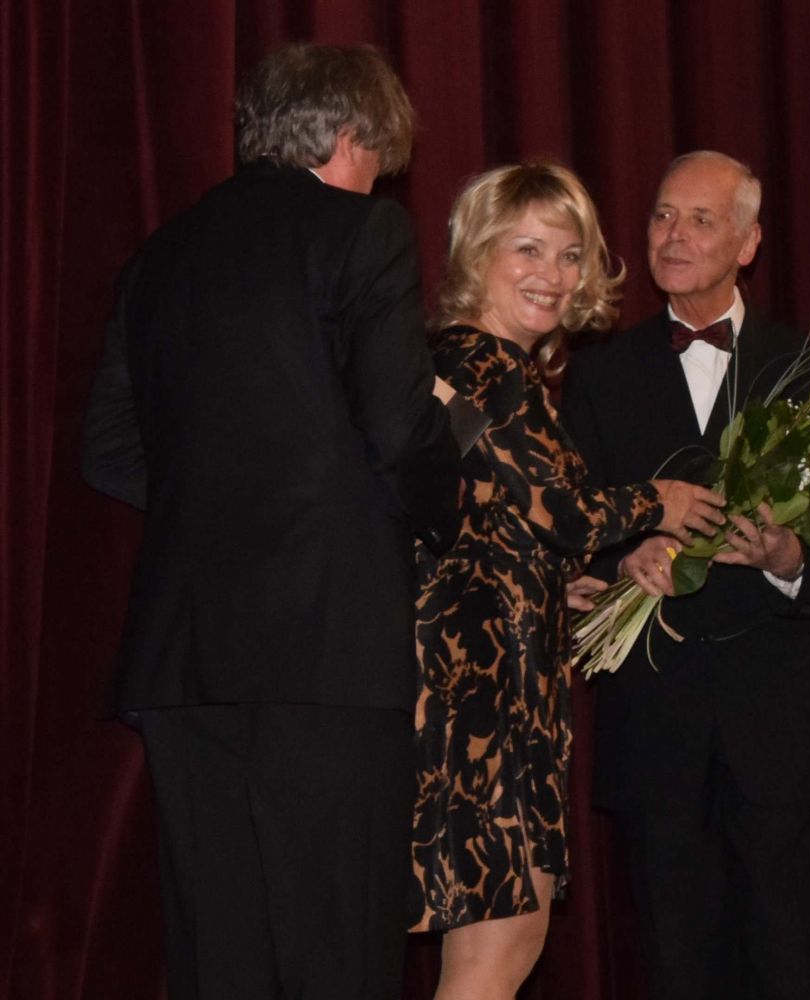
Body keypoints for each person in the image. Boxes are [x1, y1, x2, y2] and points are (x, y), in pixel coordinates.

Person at [81, 44, 461, 1000]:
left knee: (220, 957)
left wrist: (223, 504)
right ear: (349, 134)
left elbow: (108, 449)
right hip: (328, 650)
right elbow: (400, 431)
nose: (381, 178)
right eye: (379, 155)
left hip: (184, 661)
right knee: (337, 951)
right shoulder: (362, 232)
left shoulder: (160, 255)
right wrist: (447, 502)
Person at [560, 150, 810, 999]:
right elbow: (563, 524)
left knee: (790, 964)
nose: (672, 235)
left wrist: (787, 559)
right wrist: (617, 557)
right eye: (662, 215)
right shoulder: (598, 372)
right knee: (675, 965)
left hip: (776, 735)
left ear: (747, 243)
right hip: (654, 731)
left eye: (699, 220)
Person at [408, 162, 726, 1000]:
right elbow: (566, 512)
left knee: (501, 946)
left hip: (495, 687)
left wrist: (560, 588)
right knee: (497, 949)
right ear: (477, 254)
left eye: (569, 254)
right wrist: (660, 500)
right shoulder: (484, 364)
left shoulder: (476, 365)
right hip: (483, 699)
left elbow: (487, 524)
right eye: (527, 249)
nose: (552, 274)